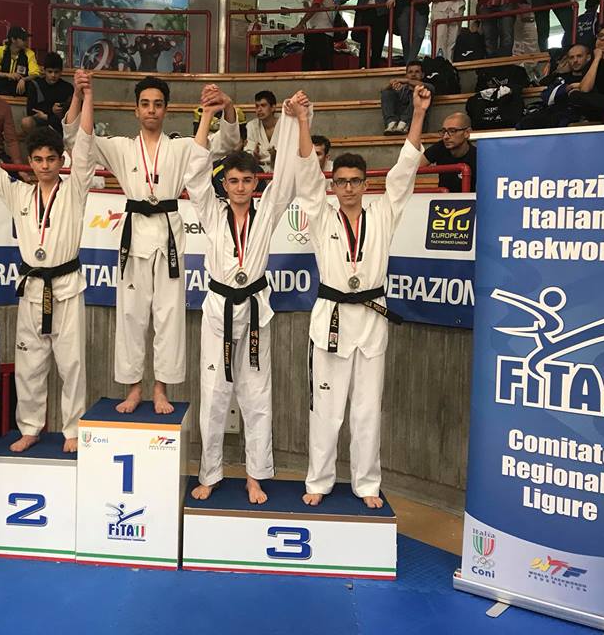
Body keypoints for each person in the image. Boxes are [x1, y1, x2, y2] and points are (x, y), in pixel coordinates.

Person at [61, 76, 240, 414]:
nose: (151, 110)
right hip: (134, 237)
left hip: (169, 235)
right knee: (131, 314)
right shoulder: (121, 147)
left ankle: (161, 388)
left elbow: (227, 142)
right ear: (136, 110)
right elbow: (76, 140)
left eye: (158, 104)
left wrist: (226, 107)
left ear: (166, 109)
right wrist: (79, 95)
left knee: (169, 315)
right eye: (145, 104)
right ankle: (133, 388)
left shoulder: (182, 147)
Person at [297, 84, 432, 509]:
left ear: (365, 183)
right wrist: (302, 122)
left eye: (355, 181)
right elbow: (306, 176)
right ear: (333, 185)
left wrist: (418, 113)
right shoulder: (321, 217)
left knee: (368, 409)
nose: (349, 188)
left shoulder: (383, 213)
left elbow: (404, 172)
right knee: (326, 408)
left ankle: (367, 484)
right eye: (341, 182)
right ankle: (319, 480)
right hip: (332, 320)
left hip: (372, 319)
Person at [0, 70, 96, 453]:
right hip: (32, 288)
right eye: (38, 159)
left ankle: (73, 429)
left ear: (61, 160)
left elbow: (85, 148)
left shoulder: (75, 191)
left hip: (66, 287)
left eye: (51, 159)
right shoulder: (19, 194)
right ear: (30, 162)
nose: (45, 165)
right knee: (30, 363)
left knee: (72, 364)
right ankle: (30, 427)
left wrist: (86, 96)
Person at [187, 91, 306, 504]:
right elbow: (194, 173)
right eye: (233, 181)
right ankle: (210, 473)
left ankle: (256, 474)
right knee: (214, 395)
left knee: (256, 396)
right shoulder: (210, 211)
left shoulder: (268, 211)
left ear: (256, 183)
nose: (240, 187)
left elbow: (287, 174)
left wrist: (291, 120)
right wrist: (208, 116)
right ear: (225, 184)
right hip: (218, 310)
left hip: (255, 311)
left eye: (247, 180)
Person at [517, 43, 590, 129]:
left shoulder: (592, 77)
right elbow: (545, 96)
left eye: (579, 56)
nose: (575, 60)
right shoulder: (561, 78)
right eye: (571, 57)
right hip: (554, 113)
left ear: (588, 57)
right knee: (524, 123)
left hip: (576, 115)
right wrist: (565, 86)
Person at [22, 52, 74, 135]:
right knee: (26, 122)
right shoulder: (35, 84)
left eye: (56, 72)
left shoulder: (68, 88)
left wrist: (47, 116)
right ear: (44, 71)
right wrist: (51, 110)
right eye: (50, 72)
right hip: (40, 122)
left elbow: (70, 114)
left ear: (61, 72)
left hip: (59, 124)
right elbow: (30, 110)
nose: (53, 75)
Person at [422, 112, 477, 192]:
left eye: (452, 131)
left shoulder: (477, 156)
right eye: (444, 131)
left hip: (468, 199)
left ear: (467, 133)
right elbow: (413, 168)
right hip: (442, 198)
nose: (446, 137)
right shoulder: (439, 147)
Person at [297, 0, 336, 71]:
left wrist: (301, 23)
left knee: (311, 66)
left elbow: (316, 6)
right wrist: (307, 8)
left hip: (321, 33)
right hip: (318, 32)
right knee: (318, 65)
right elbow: (316, 8)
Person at [380, 60, 432, 135]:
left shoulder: (428, 87)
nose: (413, 74)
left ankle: (403, 124)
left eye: (417, 72)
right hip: (397, 128)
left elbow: (422, 86)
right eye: (410, 72)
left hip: (416, 127)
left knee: (418, 93)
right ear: (406, 75)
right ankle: (391, 124)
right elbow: (383, 91)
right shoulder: (402, 89)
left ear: (422, 75)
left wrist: (405, 81)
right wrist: (391, 84)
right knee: (387, 93)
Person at [0, 25, 40, 96]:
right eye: (23, 38)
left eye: (26, 38)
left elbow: (35, 74)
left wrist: (24, 79)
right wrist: (8, 75)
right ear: (13, 39)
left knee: (32, 85)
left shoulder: (29, 53)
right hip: (2, 86)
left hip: (20, 87)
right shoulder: (1, 50)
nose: (26, 40)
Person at [244, 90, 279, 171]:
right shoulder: (251, 126)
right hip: (259, 169)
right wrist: (254, 155)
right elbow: (248, 153)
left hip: (282, 169)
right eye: (257, 106)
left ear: (273, 108)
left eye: (263, 105)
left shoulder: (284, 125)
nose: (259, 109)